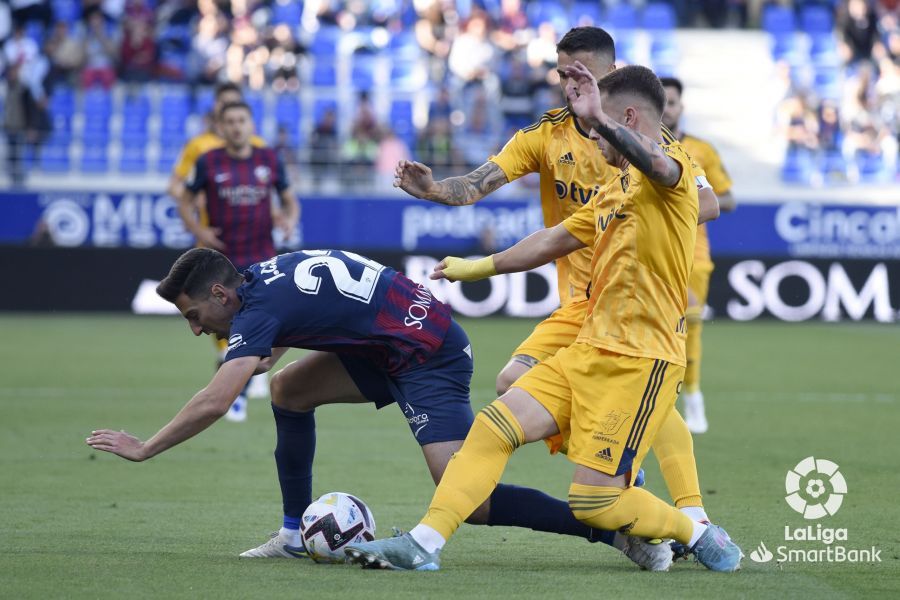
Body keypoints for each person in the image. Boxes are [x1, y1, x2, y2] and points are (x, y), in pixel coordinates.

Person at [345, 64, 743, 573]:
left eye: (596, 128)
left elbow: (663, 168)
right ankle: (424, 544)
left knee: (593, 504)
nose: (592, 140)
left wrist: (600, 119)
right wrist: (475, 268)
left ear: (625, 118)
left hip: (642, 359)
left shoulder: (676, 169)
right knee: (494, 425)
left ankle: (696, 530)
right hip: (589, 348)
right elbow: (555, 238)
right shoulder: (616, 187)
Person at [86, 247, 672, 571]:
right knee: (289, 390)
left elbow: (219, 399)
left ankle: (613, 529)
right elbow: (293, 322)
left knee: (471, 501)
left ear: (220, 294)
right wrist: (260, 354)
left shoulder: (256, 308)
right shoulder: (262, 279)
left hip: (428, 354)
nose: (196, 329)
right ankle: (293, 533)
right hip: (387, 345)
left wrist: (146, 447)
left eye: (194, 316)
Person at [178, 101, 299, 421]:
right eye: (229, 121)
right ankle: (235, 389)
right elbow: (184, 201)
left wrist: (289, 219)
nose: (236, 126)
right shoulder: (207, 161)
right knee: (229, 329)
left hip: (262, 261)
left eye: (241, 120)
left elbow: (290, 200)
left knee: (258, 328)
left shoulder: (269, 159)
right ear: (220, 127)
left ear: (251, 124)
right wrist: (199, 230)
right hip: (222, 263)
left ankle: (236, 390)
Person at [169, 82, 272, 407]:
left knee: (254, 304)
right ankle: (232, 360)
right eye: (224, 106)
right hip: (216, 242)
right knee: (216, 307)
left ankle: (248, 363)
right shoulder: (199, 149)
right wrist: (202, 204)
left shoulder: (259, 149)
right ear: (216, 112)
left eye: (236, 106)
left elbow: (270, 192)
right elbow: (177, 186)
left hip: (255, 244)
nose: (233, 121)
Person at [661, 76, 737, 434]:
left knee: (689, 329)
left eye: (672, 102)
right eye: (661, 102)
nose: (667, 109)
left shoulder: (700, 150)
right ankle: (656, 399)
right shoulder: (632, 150)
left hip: (693, 255)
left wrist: (687, 200)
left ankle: (692, 396)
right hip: (649, 253)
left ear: (682, 107)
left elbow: (728, 199)